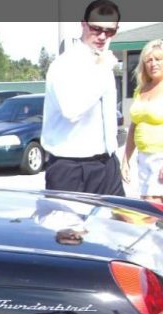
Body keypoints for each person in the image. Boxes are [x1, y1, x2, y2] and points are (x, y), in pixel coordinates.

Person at [41, 0, 124, 196]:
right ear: (83, 24)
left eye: (110, 31)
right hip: (71, 168)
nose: (103, 36)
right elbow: (72, 110)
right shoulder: (65, 64)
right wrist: (102, 70)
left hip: (108, 164)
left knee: (118, 225)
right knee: (71, 227)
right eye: (96, 29)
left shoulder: (103, 61)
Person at [121, 39, 163, 206]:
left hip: (161, 158)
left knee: (155, 208)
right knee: (147, 206)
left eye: (158, 59)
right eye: (149, 60)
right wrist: (126, 159)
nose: (153, 64)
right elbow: (134, 126)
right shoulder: (141, 89)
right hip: (144, 158)